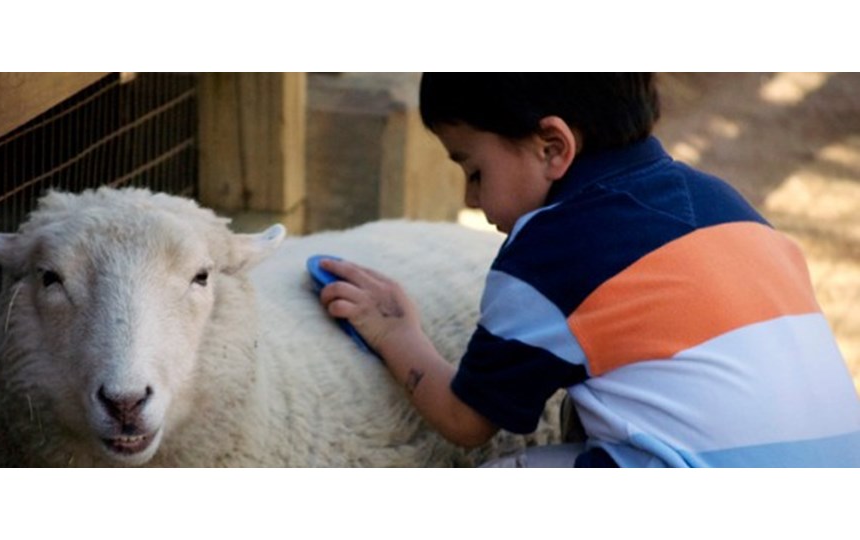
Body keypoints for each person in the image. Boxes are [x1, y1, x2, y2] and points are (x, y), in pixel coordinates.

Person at [318, 73, 860, 467]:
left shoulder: (551, 251)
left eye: (475, 170)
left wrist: (394, 330)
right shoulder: (723, 201)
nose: (471, 197)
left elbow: (467, 421)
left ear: (552, 147)